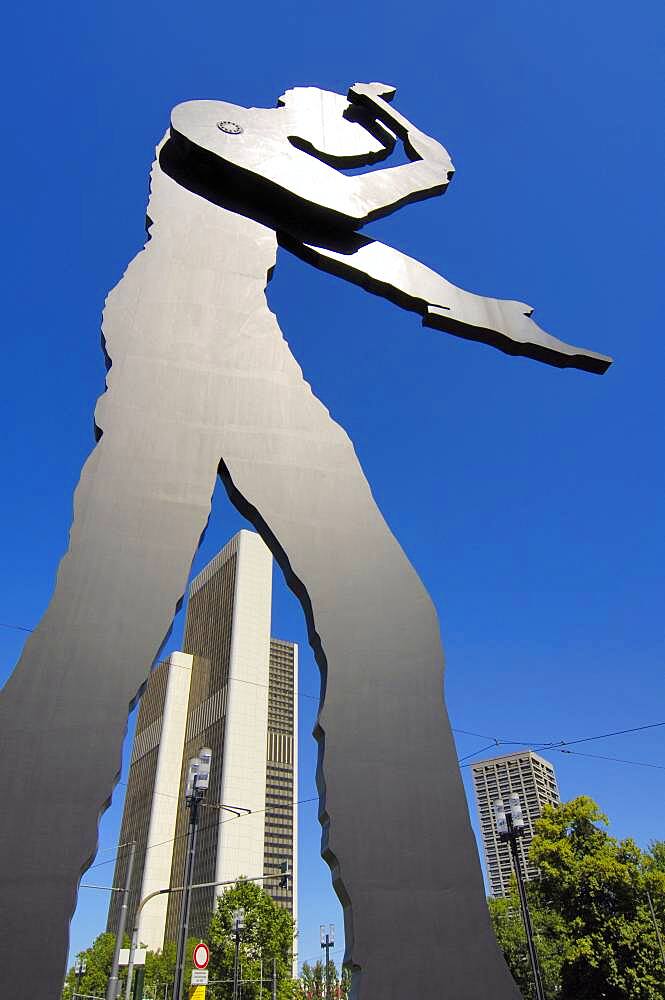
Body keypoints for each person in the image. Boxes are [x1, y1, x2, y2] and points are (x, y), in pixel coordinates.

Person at [0, 82, 610, 1000]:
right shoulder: (214, 124)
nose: (348, 152)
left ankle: (434, 959)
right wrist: (415, 157)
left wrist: (479, 309)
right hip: (172, 340)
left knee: (389, 618)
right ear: (308, 108)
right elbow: (337, 202)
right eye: (345, 133)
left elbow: (363, 253)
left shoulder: (284, 180)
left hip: (252, 351)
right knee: (106, 617)